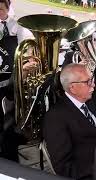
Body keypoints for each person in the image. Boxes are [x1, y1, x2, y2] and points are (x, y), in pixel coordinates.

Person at [43, 63, 96, 180]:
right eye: (88, 82)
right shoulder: (55, 117)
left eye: (92, 79)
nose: (94, 85)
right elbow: (64, 168)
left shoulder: (89, 101)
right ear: (72, 88)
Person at [0, 0, 33, 162]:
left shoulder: (18, 26)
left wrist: (27, 64)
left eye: (0, 9)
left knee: (9, 124)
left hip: (12, 82)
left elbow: (28, 49)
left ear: (7, 9)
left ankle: (10, 161)